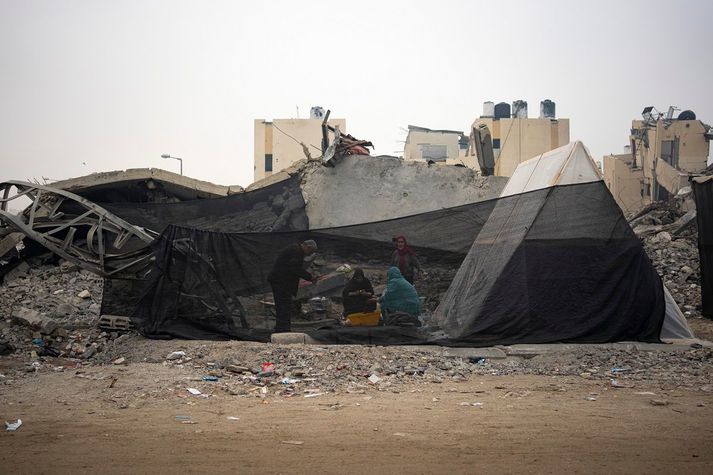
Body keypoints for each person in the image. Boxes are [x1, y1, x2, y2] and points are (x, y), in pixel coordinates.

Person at [267, 239, 317, 332]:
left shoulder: (294, 249)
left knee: (282, 306)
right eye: (310, 252)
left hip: (280, 281)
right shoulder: (296, 251)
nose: (308, 254)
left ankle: (281, 327)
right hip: (281, 282)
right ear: (308, 247)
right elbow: (295, 268)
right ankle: (283, 329)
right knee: (284, 306)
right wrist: (310, 277)